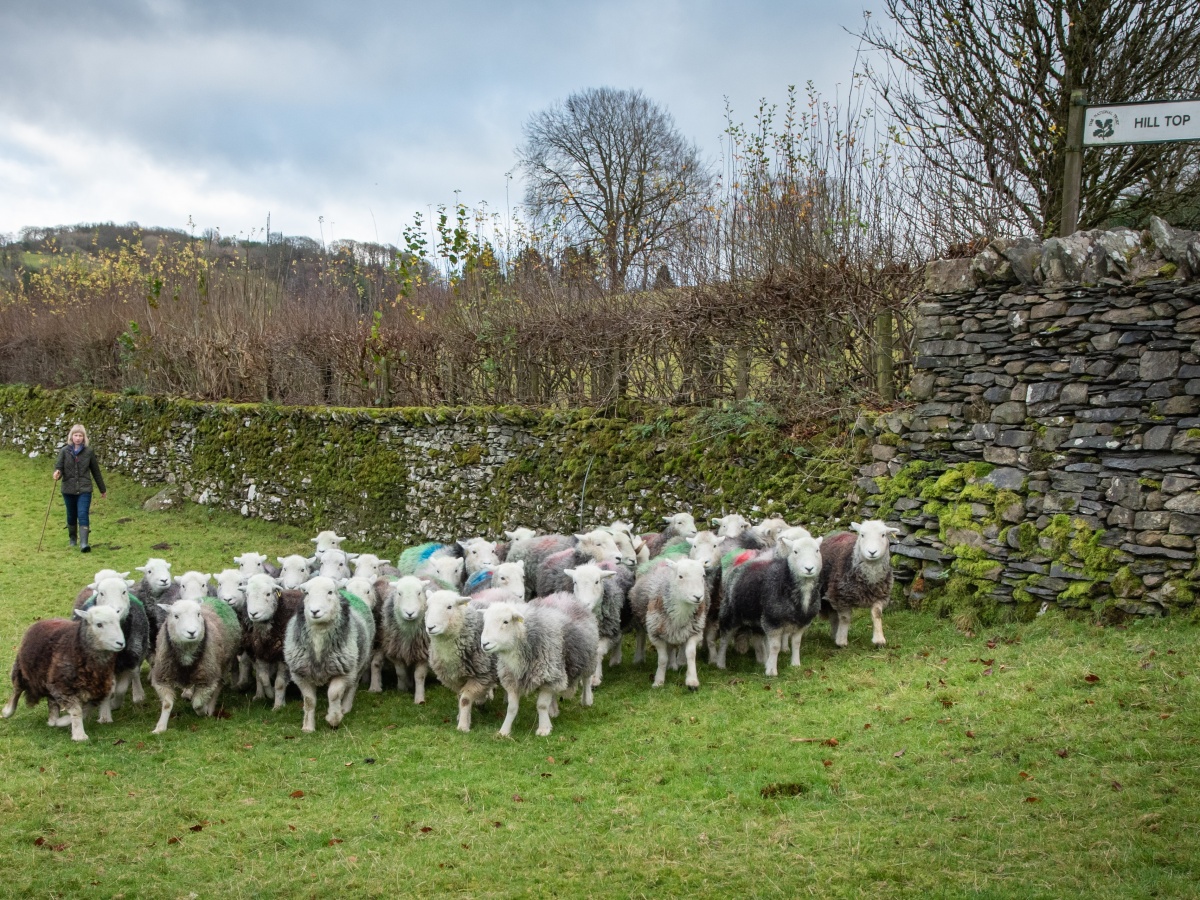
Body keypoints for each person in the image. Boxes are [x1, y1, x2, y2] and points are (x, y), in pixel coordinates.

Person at [53, 424, 107, 553]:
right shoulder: (64, 451)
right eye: (76, 435)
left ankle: (84, 543)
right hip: (68, 489)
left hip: (84, 488)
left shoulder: (89, 452)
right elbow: (59, 467)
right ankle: (73, 538)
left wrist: (102, 489)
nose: (78, 438)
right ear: (71, 436)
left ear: (84, 437)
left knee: (83, 513)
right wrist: (57, 473)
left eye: (80, 435)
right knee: (71, 514)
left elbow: (96, 471)